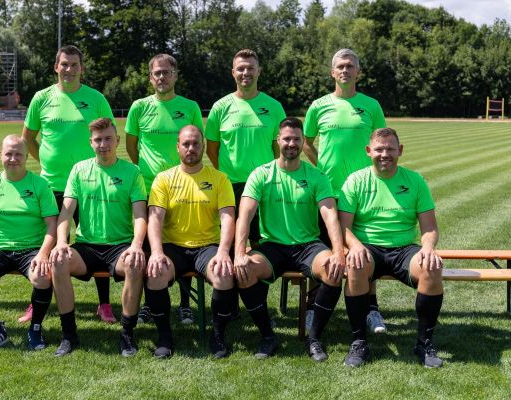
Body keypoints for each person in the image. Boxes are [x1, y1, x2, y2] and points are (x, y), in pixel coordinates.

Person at [234, 117, 345, 361]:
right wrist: (239, 253)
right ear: (278, 141)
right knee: (244, 271)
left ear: (303, 141)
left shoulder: (316, 176)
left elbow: (330, 216)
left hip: (308, 245)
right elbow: (244, 216)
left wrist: (338, 252)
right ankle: (268, 336)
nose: (291, 143)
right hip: (272, 246)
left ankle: (314, 338)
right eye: (287, 139)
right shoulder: (261, 174)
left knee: (333, 270)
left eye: (296, 139)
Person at [22, 45, 116, 324]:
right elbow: (28, 138)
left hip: (89, 183)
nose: (69, 69)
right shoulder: (42, 98)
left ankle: (104, 304)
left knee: (97, 239)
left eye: (74, 64)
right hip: (51, 184)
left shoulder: (96, 98)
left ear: (81, 68)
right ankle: (37, 302)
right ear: (56, 67)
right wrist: (46, 161)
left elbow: (108, 134)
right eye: (64, 64)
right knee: (46, 244)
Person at [339, 128, 444, 368]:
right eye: (379, 149)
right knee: (356, 265)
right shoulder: (356, 180)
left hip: (404, 249)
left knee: (432, 267)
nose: (384, 154)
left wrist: (428, 247)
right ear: (369, 151)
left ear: (400, 151)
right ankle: (359, 342)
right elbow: (343, 227)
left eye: (390, 149)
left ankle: (424, 343)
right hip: (368, 248)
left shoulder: (415, 180)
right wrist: (354, 245)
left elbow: (430, 228)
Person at [303, 48, 387, 334]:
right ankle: (313, 307)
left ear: (358, 72)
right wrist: (322, 168)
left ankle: (371, 308)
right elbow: (306, 142)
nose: (345, 70)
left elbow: (380, 143)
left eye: (350, 66)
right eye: (340, 66)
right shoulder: (319, 106)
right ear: (332, 72)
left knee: (364, 247)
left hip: (363, 192)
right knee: (321, 247)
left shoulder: (371, 105)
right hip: (327, 191)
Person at [49, 118, 147, 357]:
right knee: (58, 261)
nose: (103, 144)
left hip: (119, 246)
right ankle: (69, 335)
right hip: (87, 247)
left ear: (118, 140)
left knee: (135, 263)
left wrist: (136, 245)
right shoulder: (79, 170)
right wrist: (61, 243)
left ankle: (127, 335)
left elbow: (140, 216)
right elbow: (65, 213)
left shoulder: (132, 172)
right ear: (91, 143)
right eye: (98, 140)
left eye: (108, 139)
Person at [126, 53, 204, 326]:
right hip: (149, 188)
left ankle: (185, 305)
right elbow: (132, 146)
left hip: (184, 186)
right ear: (150, 78)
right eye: (157, 73)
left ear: (175, 75)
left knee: (183, 242)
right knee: (150, 246)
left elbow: (196, 142)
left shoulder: (190, 107)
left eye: (166, 72)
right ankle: (150, 303)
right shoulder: (139, 107)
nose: (161, 77)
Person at [146, 125, 236, 358]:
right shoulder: (164, 179)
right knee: (155, 274)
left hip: (207, 247)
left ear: (203, 147)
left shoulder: (220, 179)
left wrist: (223, 252)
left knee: (224, 274)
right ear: (178, 147)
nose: (191, 148)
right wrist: (156, 252)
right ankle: (164, 336)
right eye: (186, 144)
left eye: (196, 143)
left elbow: (228, 218)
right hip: (173, 247)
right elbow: (155, 219)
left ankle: (218, 335)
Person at [0, 135, 58, 350]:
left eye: (18, 154)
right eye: (8, 154)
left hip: (31, 250)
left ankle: (35, 328)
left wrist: (43, 254)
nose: (13, 158)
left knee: (43, 276)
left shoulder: (40, 184)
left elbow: (52, 224)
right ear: (0, 155)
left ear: (26, 157)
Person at [205, 48, 286, 248]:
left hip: (264, 184)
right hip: (229, 185)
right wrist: (226, 173)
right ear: (233, 72)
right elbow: (212, 149)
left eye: (250, 68)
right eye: (241, 68)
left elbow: (279, 148)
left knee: (262, 244)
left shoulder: (274, 107)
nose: (245, 73)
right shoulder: (220, 107)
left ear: (259, 71)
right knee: (231, 243)